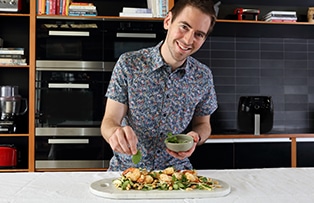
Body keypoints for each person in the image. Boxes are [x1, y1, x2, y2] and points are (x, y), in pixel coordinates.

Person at [101, 0, 218, 171]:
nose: (188, 40)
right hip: (128, 170)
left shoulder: (203, 76)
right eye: (184, 27)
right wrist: (114, 133)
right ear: (168, 21)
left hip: (177, 173)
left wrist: (196, 137)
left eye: (199, 34)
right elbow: (110, 121)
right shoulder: (129, 64)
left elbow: (203, 124)